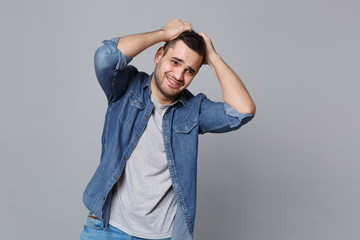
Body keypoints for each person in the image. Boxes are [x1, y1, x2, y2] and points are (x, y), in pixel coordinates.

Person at [80, 18, 256, 240]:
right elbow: (105, 57)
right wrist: (162, 33)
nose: (179, 75)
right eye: (175, 61)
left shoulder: (194, 110)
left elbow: (243, 111)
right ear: (158, 55)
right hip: (106, 228)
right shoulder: (125, 87)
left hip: (160, 236)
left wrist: (213, 58)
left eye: (189, 70)